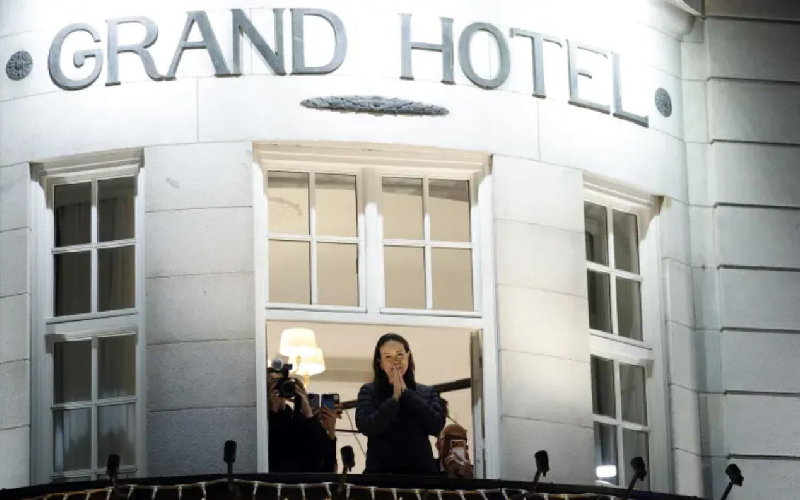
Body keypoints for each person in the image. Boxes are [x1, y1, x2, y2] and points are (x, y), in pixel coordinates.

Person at [356, 333, 446, 475]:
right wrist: (394, 399)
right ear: (380, 363)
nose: (395, 361)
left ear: (408, 357)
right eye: (388, 357)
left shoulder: (427, 392)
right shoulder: (369, 391)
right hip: (381, 474)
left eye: (400, 355)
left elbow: (436, 425)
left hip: (421, 475)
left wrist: (407, 394)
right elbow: (366, 426)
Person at [268, 369, 341, 472]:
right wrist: (273, 412)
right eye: (274, 385)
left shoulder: (299, 419)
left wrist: (307, 409)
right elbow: (275, 453)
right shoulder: (263, 422)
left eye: (282, 383)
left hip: (307, 480)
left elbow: (327, 467)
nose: (280, 390)